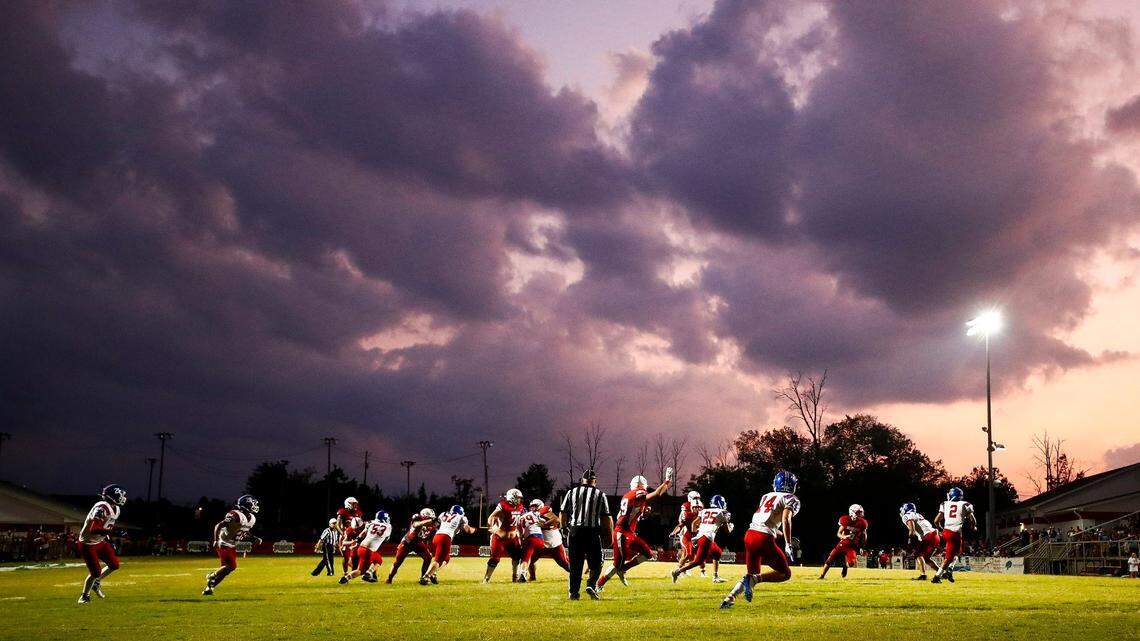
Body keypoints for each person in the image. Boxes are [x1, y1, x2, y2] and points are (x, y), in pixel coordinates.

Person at [720, 471, 799, 610]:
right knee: (786, 573)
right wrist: (788, 544)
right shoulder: (791, 498)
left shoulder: (766, 496)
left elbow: (766, 522)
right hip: (763, 538)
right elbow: (786, 519)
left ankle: (729, 598)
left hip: (750, 535)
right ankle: (755, 580)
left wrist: (779, 534)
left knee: (751, 575)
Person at [595, 467, 674, 592]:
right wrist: (667, 481)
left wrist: (641, 513)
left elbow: (627, 513)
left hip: (626, 532)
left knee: (648, 554)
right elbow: (658, 493)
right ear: (643, 486)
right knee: (617, 564)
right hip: (622, 533)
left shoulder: (628, 495)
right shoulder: (639, 493)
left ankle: (621, 570)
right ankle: (600, 583)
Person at [560, 469, 611, 600]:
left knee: (575, 564)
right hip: (592, 532)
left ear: (582, 480)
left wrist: (564, 527)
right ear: (594, 481)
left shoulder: (572, 492)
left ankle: (573, 593)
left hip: (575, 531)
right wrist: (608, 534)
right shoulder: (600, 494)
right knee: (598, 561)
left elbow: (563, 512)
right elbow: (606, 517)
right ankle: (591, 584)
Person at [76, 484, 127, 604]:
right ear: (114, 496)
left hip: (99, 542)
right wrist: (114, 533)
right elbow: (94, 529)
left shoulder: (116, 509)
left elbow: (105, 526)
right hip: (87, 544)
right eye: (121, 495)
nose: (123, 497)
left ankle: (96, 583)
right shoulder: (102, 507)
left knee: (114, 564)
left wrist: (109, 538)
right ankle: (84, 596)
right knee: (96, 572)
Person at [203, 495, 261, 595]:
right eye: (253, 504)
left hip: (232, 545)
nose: (255, 506)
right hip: (224, 542)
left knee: (226, 570)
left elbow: (244, 532)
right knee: (231, 566)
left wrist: (254, 538)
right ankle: (211, 575)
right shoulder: (235, 514)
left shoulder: (251, 518)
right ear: (247, 504)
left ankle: (209, 588)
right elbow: (219, 525)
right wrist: (216, 540)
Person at [671, 494, 732, 583]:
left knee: (717, 552)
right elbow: (728, 531)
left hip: (700, 537)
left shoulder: (704, 511)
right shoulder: (723, 512)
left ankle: (715, 577)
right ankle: (677, 572)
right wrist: (731, 526)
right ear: (720, 503)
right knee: (698, 561)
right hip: (706, 538)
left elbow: (694, 523)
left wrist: (693, 536)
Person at [931, 486, 975, 584]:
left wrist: (941, 529)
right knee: (949, 557)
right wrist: (973, 526)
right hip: (955, 533)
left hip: (946, 531)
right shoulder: (965, 504)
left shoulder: (945, 504)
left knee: (957, 552)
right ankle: (936, 577)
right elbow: (972, 519)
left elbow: (936, 521)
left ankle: (950, 570)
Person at [422, 505, 476, 584]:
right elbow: (468, 530)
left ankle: (433, 573)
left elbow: (435, 525)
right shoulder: (461, 517)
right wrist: (474, 530)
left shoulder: (443, 514)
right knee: (438, 560)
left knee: (446, 559)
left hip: (436, 537)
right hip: (445, 537)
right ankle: (426, 577)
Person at [483, 489, 524, 583]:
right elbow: (491, 517)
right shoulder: (503, 505)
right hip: (500, 538)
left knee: (517, 557)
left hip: (513, 537)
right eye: (517, 498)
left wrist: (519, 533)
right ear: (512, 497)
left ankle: (515, 577)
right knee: (495, 559)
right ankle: (486, 579)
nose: (519, 500)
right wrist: (493, 528)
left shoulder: (520, 506)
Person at [386, 508, 437, 583]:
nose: (431, 519)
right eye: (429, 518)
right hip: (407, 542)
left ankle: (423, 578)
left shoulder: (432, 524)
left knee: (428, 558)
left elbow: (428, 535)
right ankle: (389, 578)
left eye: (431, 518)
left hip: (418, 543)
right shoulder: (417, 517)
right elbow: (416, 524)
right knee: (398, 562)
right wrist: (429, 521)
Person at [340, 511, 392, 584]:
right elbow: (386, 538)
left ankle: (367, 573)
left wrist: (357, 541)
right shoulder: (388, 527)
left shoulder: (371, 522)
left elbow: (362, 534)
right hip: (369, 551)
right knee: (362, 570)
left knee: (377, 559)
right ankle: (364, 574)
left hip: (361, 547)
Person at [820, 504, 868, 579]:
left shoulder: (863, 522)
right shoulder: (845, 519)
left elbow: (864, 536)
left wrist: (862, 547)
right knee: (830, 558)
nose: (861, 514)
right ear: (853, 512)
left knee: (851, 563)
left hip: (852, 546)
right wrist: (844, 537)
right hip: (843, 544)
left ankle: (845, 566)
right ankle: (822, 576)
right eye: (859, 512)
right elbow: (838, 534)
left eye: (861, 512)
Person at [528, 500, 570, 580]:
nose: (533, 508)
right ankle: (532, 577)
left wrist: (544, 524)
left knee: (564, 563)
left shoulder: (544, 511)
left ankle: (576, 576)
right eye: (532, 506)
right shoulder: (531, 515)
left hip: (553, 542)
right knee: (529, 560)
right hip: (542, 544)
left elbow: (556, 520)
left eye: (535, 506)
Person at [900, 502, 939, 580]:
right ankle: (942, 573)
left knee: (918, 554)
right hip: (935, 535)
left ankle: (923, 575)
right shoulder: (918, 515)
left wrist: (910, 539)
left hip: (927, 536)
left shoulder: (906, 516)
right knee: (926, 558)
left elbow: (912, 529)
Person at [672, 491, 703, 577]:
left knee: (691, 554)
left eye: (698, 498)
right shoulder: (686, 507)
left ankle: (683, 570)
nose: (697, 500)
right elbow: (681, 521)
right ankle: (678, 570)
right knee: (687, 554)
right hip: (686, 533)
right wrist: (676, 530)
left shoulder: (700, 506)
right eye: (695, 498)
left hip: (695, 533)